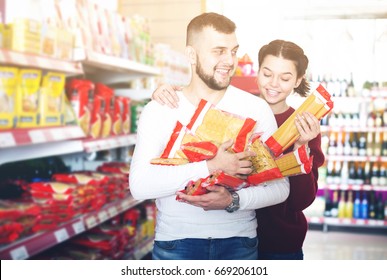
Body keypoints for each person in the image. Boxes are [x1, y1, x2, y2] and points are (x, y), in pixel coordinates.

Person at [129, 12, 290, 260]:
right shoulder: (161, 108)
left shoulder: (255, 109)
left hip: (239, 243)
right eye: (219, 51)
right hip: (176, 244)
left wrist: (233, 200)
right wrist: (210, 166)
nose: (229, 60)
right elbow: (139, 186)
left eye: (233, 51)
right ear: (191, 55)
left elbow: (280, 188)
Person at [152, 39, 325, 260]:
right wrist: (164, 93)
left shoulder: (304, 127)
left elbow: (301, 201)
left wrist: (301, 147)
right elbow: (194, 102)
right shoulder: (235, 109)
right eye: (267, 73)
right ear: (257, 71)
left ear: (298, 79)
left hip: (280, 242)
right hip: (231, 237)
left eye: (285, 78)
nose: (273, 84)